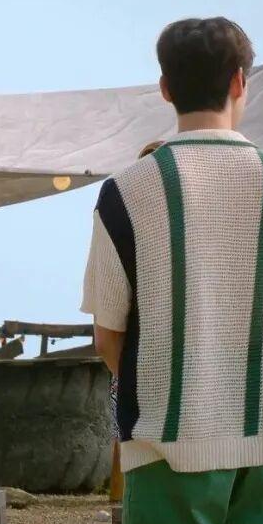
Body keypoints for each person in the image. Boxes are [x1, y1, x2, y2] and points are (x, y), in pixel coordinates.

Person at [82, 18, 263, 524]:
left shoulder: (125, 191)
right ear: (239, 81)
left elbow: (108, 337)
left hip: (167, 445)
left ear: (165, 88)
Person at [109, 139, 165, 504]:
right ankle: (121, 497)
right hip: (139, 347)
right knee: (124, 430)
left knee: (127, 429)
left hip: (136, 348)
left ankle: (124, 498)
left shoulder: (132, 222)